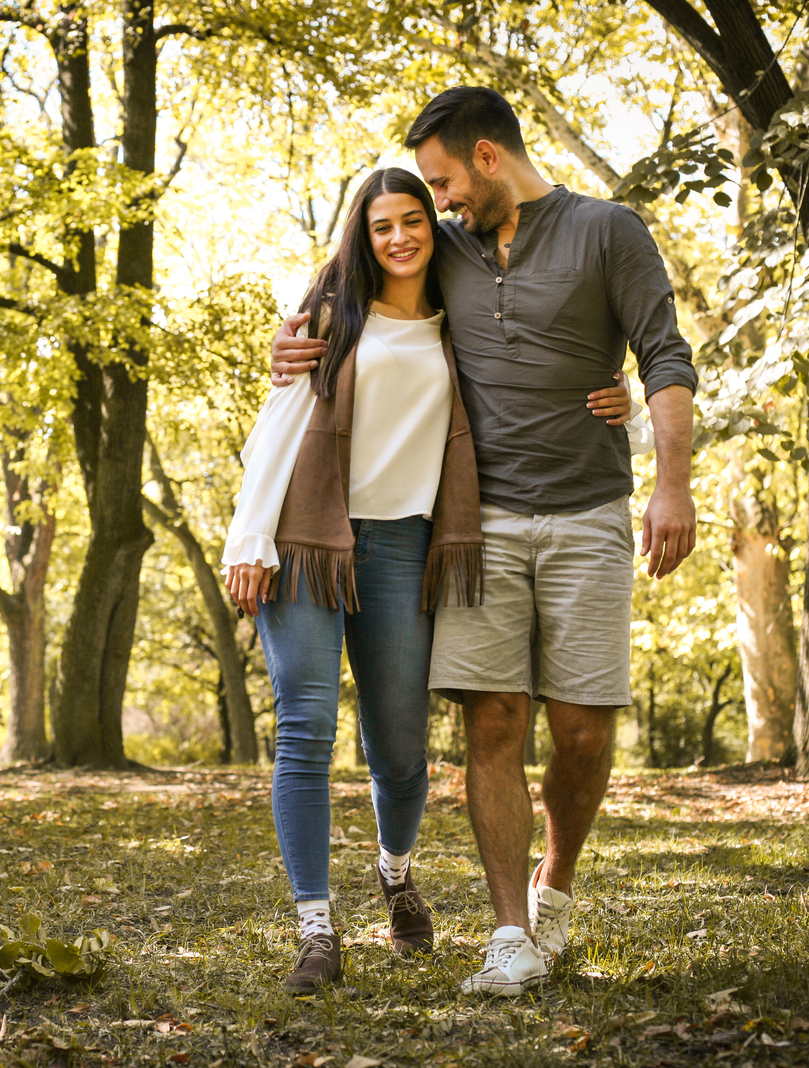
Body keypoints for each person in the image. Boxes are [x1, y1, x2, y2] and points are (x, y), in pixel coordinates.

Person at [272, 86, 699, 996]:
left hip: (589, 513)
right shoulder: (444, 251)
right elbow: (354, 289)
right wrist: (289, 340)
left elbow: (664, 354)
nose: (440, 203)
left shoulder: (607, 231)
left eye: (446, 182)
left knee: (581, 735)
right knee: (492, 721)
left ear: (489, 158)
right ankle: (510, 935)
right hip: (476, 528)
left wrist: (672, 482)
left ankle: (556, 884)